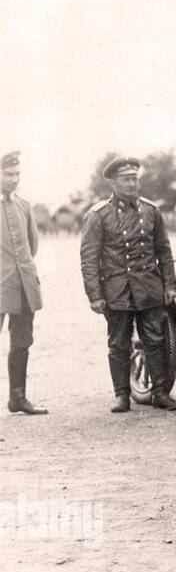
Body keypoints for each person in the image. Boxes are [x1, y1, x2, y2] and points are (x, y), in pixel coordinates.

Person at [80, 157, 176, 412]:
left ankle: (160, 393)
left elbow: (164, 251)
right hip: (117, 290)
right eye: (125, 179)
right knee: (118, 343)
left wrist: (169, 285)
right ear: (112, 183)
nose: (131, 184)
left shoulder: (151, 211)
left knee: (156, 340)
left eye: (134, 179)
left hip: (149, 287)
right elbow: (89, 259)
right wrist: (95, 295)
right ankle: (122, 395)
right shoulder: (99, 215)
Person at [1, 151, 47, 415]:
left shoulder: (24, 206)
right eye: (8, 174)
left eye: (17, 174)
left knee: (22, 342)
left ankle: (18, 398)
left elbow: (32, 246)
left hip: (23, 287)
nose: (14, 179)